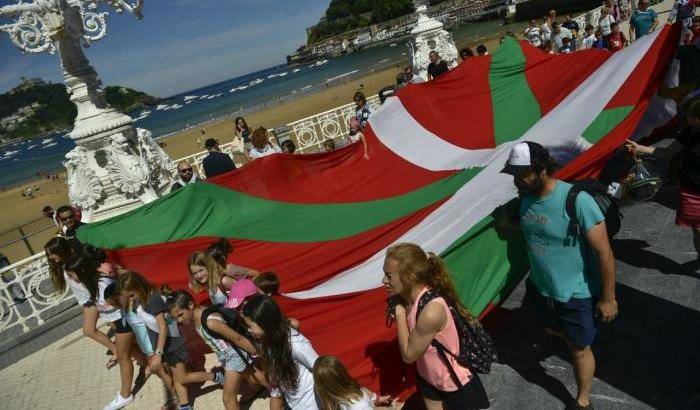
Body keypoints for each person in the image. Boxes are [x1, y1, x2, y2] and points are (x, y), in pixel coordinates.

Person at [503, 141, 618, 410]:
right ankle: (561, 336)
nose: (517, 180)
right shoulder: (524, 199)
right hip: (541, 289)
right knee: (551, 329)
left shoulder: (577, 201)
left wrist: (608, 299)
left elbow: (605, 254)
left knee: (579, 349)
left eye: (523, 174)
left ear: (543, 169)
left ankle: (583, 399)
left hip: (575, 293)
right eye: (514, 175)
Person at [382, 242, 489, 410]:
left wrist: (400, 314)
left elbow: (409, 355)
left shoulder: (431, 310)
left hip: (454, 384)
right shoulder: (405, 298)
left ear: (410, 276)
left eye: (389, 275)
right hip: (428, 378)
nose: (384, 281)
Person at [116, 271, 222, 410]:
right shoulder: (141, 299)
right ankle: (185, 405)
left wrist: (158, 354)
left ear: (139, 287)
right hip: (163, 345)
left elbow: (163, 327)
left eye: (131, 295)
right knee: (178, 376)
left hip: (172, 345)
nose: (130, 299)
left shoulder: (152, 301)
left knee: (182, 377)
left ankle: (216, 377)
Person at [64, 251, 146, 410]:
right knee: (128, 351)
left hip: (124, 322)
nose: (71, 279)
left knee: (123, 357)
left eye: (71, 274)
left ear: (81, 271)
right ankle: (145, 365)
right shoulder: (92, 283)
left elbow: (124, 302)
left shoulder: (103, 285)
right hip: (119, 323)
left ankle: (125, 395)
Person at [626, 100, 700, 263]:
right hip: (691, 190)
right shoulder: (690, 133)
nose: (687, 119)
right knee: (697, 230)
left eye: (691, 117)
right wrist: (640, 148)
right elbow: (667, 152)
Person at [166, 289, 265, 410]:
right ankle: (278, 389)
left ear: (191, 305)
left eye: (180, 315)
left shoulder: (210, 322)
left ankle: (280, 391)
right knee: (253, 375)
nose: (179, 320)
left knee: (228, 399)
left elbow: (237, 338)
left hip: (233, 356)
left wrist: (255, 352)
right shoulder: (197, 317)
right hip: (227, 356)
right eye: (175, 318)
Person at [104, 283, 179, 410]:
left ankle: (178, 399)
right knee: (164, 373)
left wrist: (157, 351)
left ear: (125, 294)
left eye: (117, 301)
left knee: (165, 374)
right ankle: (178, 395)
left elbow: (157, 325)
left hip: (154, 348)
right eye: (113, 304)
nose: (116, 305)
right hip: (148, 349)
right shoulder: (126, 309)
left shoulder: (138, 307)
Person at [241, 294, 320, 410]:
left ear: (264, 323)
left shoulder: (296, 345)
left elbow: (321, 370)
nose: (248, 330)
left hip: (310, 405)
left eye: (250, 326)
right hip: (293, 401)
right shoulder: (267, 341)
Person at [313, 355, 386, 409]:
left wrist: (388, 404)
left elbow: (372, 398)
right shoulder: (356, 402)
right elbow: (372, 399)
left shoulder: (356, 403)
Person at [189, 250, 257, 307]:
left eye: (201, 270)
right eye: (195, 273)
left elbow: (247, 296)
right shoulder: (208, 284)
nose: (198, 275)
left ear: (209, 267)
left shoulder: (224, 281)